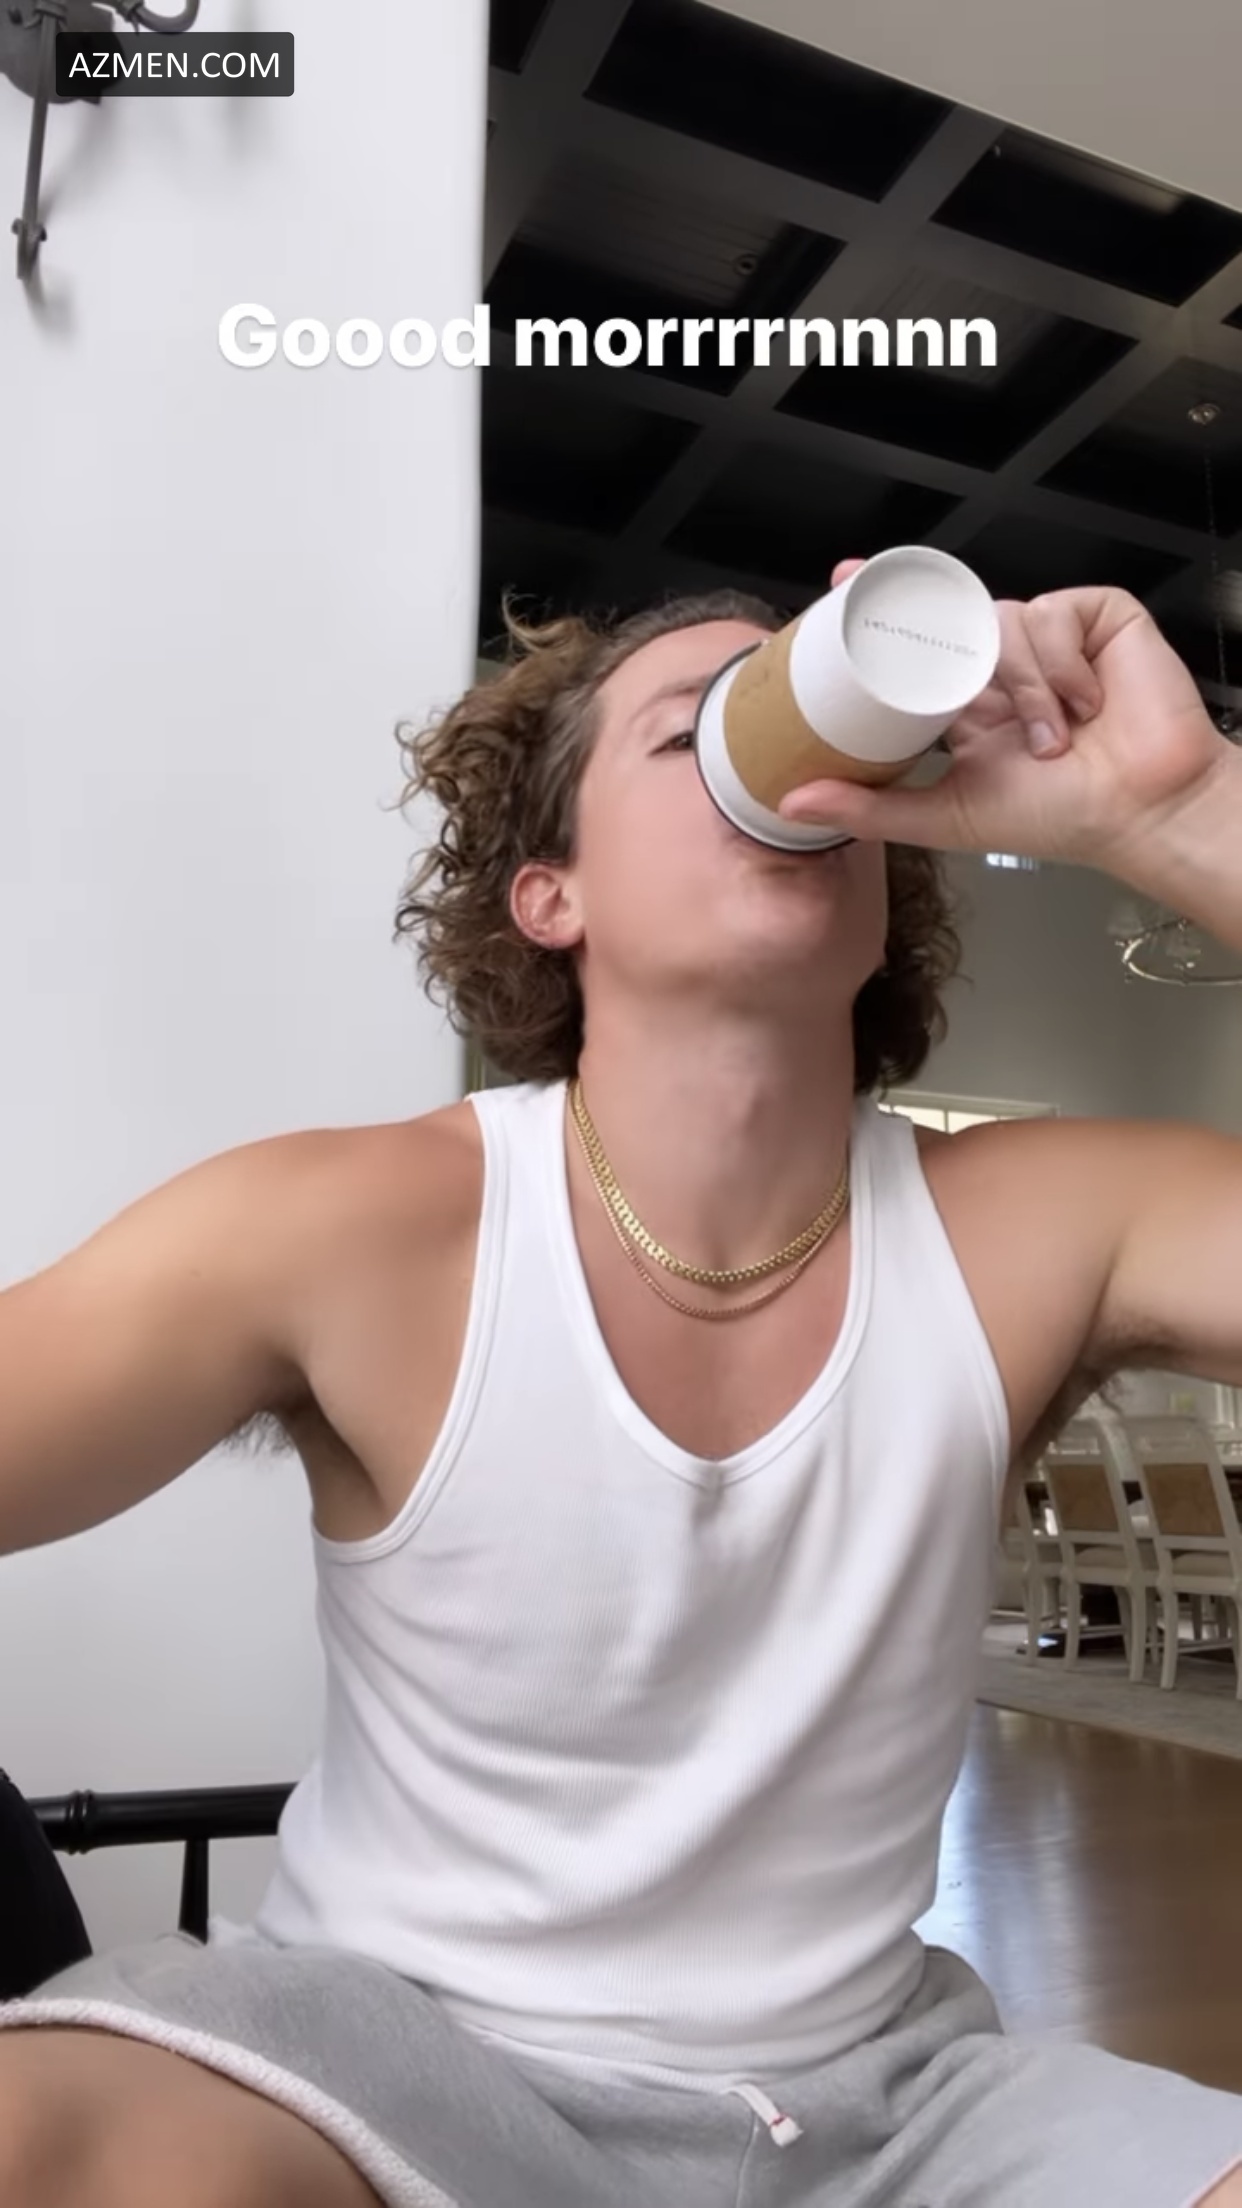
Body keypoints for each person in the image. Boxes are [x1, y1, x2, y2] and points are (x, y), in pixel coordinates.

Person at [1, 560, 1241, 2208]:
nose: (787, 765)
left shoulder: (1045, 1222)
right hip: (396, 2067)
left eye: (823, 734)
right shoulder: (353, 1225)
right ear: (549, 895)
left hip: (890, 2112)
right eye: (692, 732)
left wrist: (1183, 813)